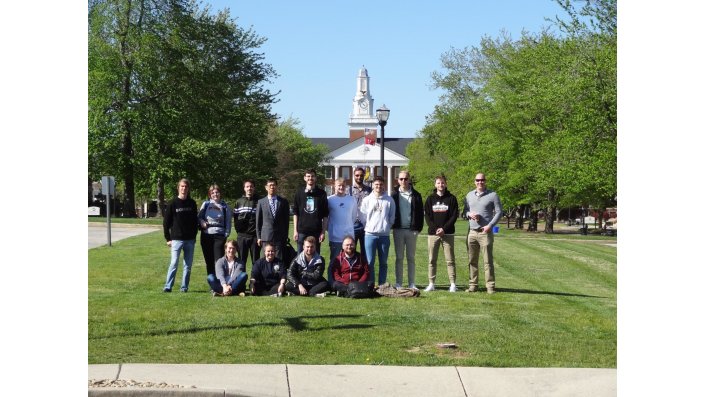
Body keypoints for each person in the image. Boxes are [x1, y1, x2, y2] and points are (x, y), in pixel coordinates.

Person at [462, 173, 503, 294]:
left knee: (487, 261)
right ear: (474, 181)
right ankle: (473, 285)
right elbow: (465, 211)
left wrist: (490, 226)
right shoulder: (469, 195)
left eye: (482, 180)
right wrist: (469, 214)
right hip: (472, 232)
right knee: (472, 260)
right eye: (477, 180)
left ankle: (490, 286)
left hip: (485, 232)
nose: (480, 182)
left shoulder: (493, 195)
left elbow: (499, 212)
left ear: (485, 181)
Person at [423, 175, 460, 292]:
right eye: (438, 183)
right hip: (433, 234)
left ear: (446, 184)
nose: (441, 185)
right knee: (432, 260)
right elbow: (427, 216)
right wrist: (435, 229)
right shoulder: (430, 199)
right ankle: (431, 283)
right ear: (435, 185)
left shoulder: (452, 198)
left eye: (442, 183)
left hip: (447, 234)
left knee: (450, 260)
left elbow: (454, 216)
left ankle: (453, 284)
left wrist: (444, 229)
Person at [162, 178, 199, 293]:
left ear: (188, 189)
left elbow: (195, 221)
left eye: (186, 187)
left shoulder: (192, 203)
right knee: (174, 263)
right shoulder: (172, 203)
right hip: (176, 239)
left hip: (189, 240)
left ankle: (184, 287)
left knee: (187, 266)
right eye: (182, 186)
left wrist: (194, 235)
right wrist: (168, 239)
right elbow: (166, 223)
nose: (184, 188)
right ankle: (168, 286)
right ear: (178, 188)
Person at [359, 176, 395, 286]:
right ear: (373, 186)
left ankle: (382, 284)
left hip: (384, 235)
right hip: (370, 235)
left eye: (380, 184)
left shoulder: (389, 200)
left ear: (384, 185)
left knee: (383, 262)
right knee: (370, 262)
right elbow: (362, 216)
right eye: (376, 184)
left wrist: (386, 226)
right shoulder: (367, 200)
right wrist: (369, 226)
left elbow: (392, 217)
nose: (378, 186)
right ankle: (371, 284)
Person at [390, 170, 424, 289]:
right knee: (399, 257)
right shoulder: (393, 195)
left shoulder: (416, 195)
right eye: (401, 179)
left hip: (412, 230)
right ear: (398, 180)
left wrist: (418, 228)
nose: (403, 181)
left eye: (405, 179)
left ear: (409, 180)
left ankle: (411, 283)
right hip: (398, 230)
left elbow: (420, 213)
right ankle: (398, 283)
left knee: (411, 257)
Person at [327, 177, 357, 285]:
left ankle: (347, 281)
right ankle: (331, 283)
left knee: (349, 261)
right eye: (339, 185)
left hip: (348, 236)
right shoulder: (330, 200)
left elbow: (353, 217)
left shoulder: (351, 199)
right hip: (335, 236)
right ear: (334, 186)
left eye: (343, 186)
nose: (341, 187)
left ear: (346, 187)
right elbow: (327, 217)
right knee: (334, 261)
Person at [198, 184, 232, 276]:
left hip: (219, 236)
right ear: (210, 194)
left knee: (218, 261)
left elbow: (228, 221)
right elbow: (199, 217)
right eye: (212, 193)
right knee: (209, 260)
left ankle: (220, 282)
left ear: (220, 193)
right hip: (206, 235)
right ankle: (212, 283)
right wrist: (202, 222)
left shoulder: (225, 206)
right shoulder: (206, 204)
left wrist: (226, 233)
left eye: (217, 192)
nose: (215, 194)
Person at [292, 168, 329, 253]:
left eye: (312, 176)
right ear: (304, 178)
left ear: (315, 178)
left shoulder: (322, 193)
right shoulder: (299, 193)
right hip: (301, 231)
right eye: (308, 176)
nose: (310, 178)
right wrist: (295, 231)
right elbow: (295, 213)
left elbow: (325, 215)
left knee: (315, 259)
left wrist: (323, 232)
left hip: (316, 231)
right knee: (300, 258)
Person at [255, 178, 290, 261]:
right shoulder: (261, 202)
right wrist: (259, 237)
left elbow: (286, 221)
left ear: (276, 187)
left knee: (279, 259)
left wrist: (285, 236)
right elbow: (258, 221)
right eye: (270, 185)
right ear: (266, 187)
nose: (272, 187)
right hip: (266, 236)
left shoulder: (283, 202)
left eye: (274, 185)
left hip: (279, 237)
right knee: (265, 259)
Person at [233, 179, 261, 269]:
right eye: (247, 187)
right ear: (244, 188)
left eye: (251, 186)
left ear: (254, 188)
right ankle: (241, 282)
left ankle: (255, 282)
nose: (249, 188)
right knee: (241, 261)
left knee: (256, 261)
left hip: (255, 237)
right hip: (242, 236)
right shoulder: (238, 202)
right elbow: (235, 218)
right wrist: (239, 231)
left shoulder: (260, 201)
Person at [348, 166, 371, 258]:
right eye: (357, 175)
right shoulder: (348, 190)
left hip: (366, 225)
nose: (359, 177)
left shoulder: (369, 190)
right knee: (350, 251)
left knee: (365, 252)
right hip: (353, 225)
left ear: (364, 176)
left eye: (361, 175)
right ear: (354, 175)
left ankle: (364, 271)